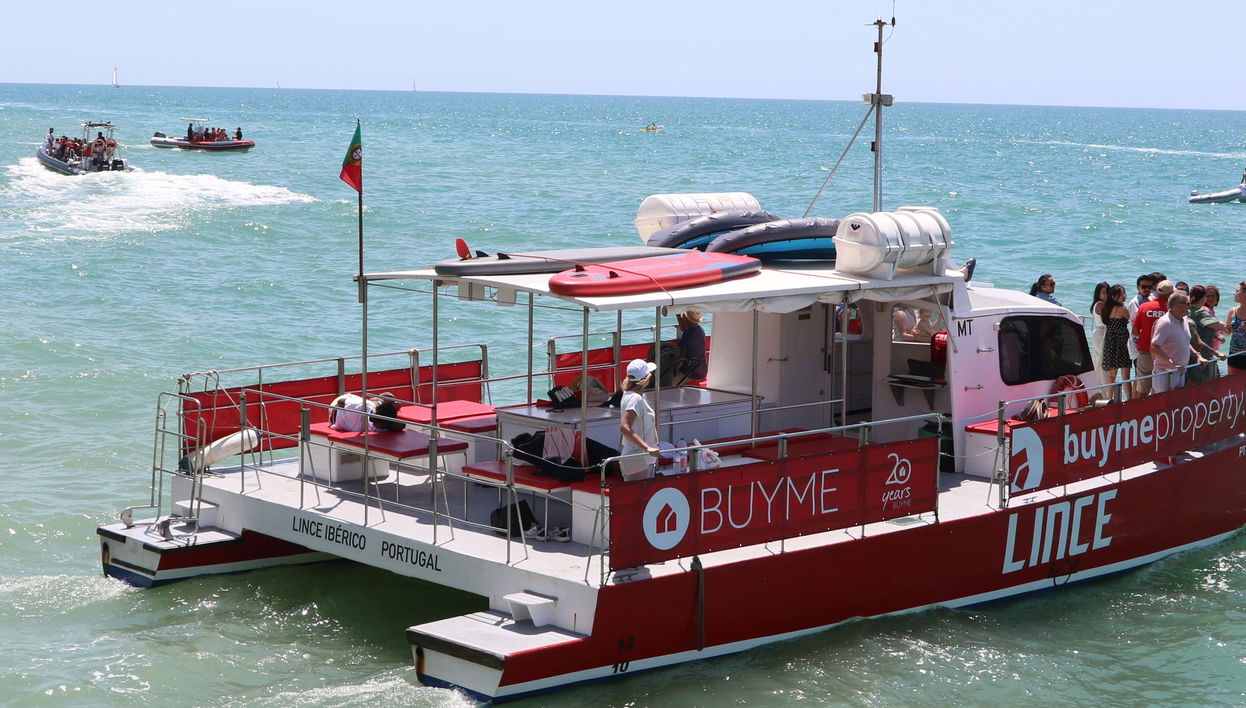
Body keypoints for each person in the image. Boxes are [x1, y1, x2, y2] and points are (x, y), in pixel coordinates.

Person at [618, 359, 660, 481]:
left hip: (642, 459)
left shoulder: (630, 395)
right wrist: (647, 448)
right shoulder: (635, 398)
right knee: (640, 493)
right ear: (645, 379)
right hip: (639, 459)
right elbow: (624, 428)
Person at [1151, 292, 1200, 393]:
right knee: (1164, 402)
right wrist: (1172, 364)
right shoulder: (1165, 322)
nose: (1189, 305)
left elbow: (1184, 341)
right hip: (1165, 373)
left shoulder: (1184, 319)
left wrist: (1197, 355)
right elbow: (1154, 347)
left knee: (1178, 401)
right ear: (1177, 305)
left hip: (1181, 371)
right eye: (1187, 303)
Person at [1132, 279, 1173, 396]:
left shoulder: (1144, 307)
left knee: (1142, 390)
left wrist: (1146, 335)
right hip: (1165, 354)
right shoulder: (1171, 311)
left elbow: (1135, 331)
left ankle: (1139, 408)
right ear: (1171, 294)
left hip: (1145, 350)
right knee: (1162, 389)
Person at [1187, 286, 1227, 382]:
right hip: (1204, 355)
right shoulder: (1201, 313)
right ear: (1203, 298)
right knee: (1208, 384)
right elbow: (1221, 327)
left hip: (1188, 354)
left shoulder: (1186, 310)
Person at [1100, 284, 1132, 398]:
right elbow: (1129, 319)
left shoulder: (1106, 309)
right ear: (1114, 296)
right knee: (1126, 375)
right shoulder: (1122, 309)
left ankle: (1109, 398)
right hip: (1122, 342)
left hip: (1110, 341)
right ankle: (1130, 399)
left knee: (1111, 375)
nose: (1124, 295)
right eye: (1122, 294)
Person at [673, 311, 707, 385]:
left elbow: (680, 357)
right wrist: (678, 316)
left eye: (683, 316)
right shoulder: (700, 329)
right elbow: (684, 329)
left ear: (686, 319)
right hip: (703, 369)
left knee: (671, 383)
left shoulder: (687, 334)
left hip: (693, 372)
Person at [1089, 282, 1109, 381]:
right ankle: (1103, 385)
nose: (1105, 295)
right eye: (1103, 292)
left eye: (1107, 292)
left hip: (1100, 332)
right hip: (1102, 332)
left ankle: (1099, 384)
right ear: (1098, 294)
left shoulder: (1099, 304)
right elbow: (1108, 320)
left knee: (1100, 360)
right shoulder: (1101, 305)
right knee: (1102, 361)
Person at [1228, 281, 1246, 375]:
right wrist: (1225, 329)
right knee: (1232, 381)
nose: (1234, 293)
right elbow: (1228, 333)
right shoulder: (1233, 311)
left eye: (1237, 291)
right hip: (1233, 354)